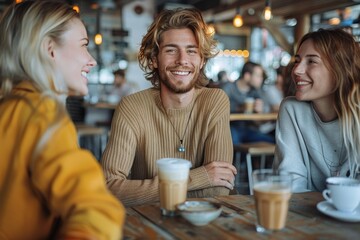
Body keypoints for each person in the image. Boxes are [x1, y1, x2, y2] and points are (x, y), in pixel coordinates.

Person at [0, 1, 125, 239]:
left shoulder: (9, 107)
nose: (92, 60)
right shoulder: (41, 113)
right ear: (50, 50)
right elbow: (97, 213)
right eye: (83, 46)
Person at [101, 8, 237, 207]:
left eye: (191, 51)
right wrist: (200, 177)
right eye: (171, 50)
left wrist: (140, 191)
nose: (182, 60)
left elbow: (219, 188)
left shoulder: (214, 101)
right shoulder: (132, 107)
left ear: (201, 61)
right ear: (155, 59)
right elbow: (108, 188)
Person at [273, 28, 360, 193]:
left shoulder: (357, 113)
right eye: (297, 61)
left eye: (311, 61)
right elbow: (290, 184)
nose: (296, 70)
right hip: (305, 216)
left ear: (340, 69)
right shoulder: (292, 110)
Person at [222, 61, 275, 144]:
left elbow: (260, 121)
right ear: (247, 76)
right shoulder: (229, 88)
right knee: (232, 141)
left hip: (250, 129)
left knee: (273, 142)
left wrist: (259, 111)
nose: (261, 79)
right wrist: (240, 107)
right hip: (230, 128)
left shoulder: (256, 91)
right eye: (258, 76)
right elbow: (219, 108)